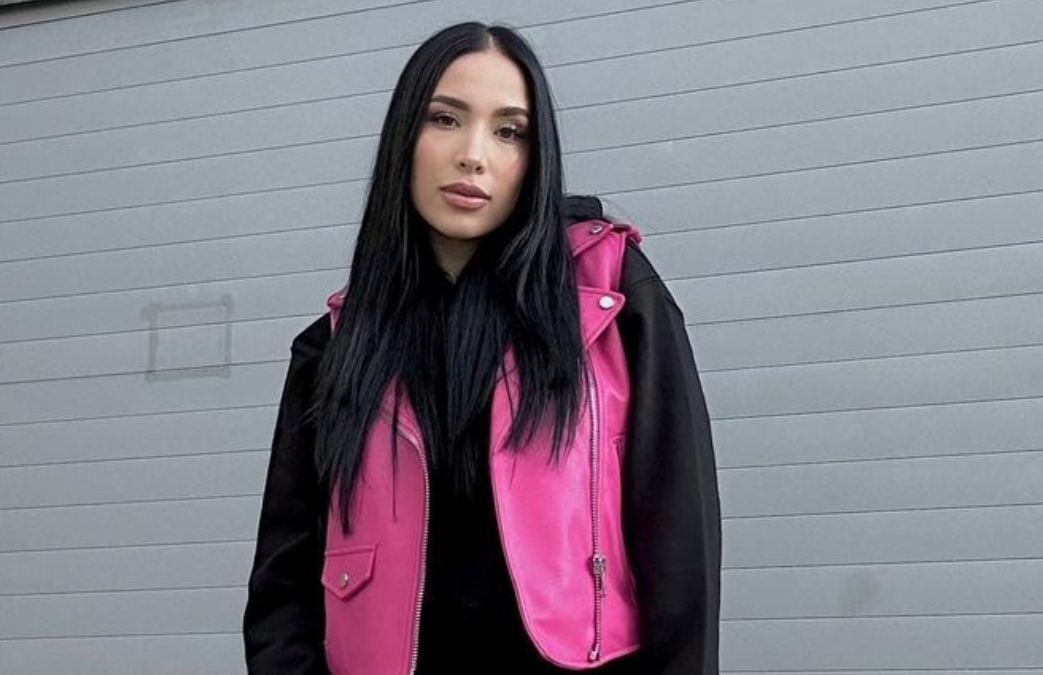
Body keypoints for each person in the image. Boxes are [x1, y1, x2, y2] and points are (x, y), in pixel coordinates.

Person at [243, 21, 721, 675]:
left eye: (509, 131)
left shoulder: (608, 296)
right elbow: (283, 591)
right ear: (404, 138)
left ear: (535, 157)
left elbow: (680, 543)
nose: (473, 155)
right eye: (445, 119)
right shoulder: (335, 349)